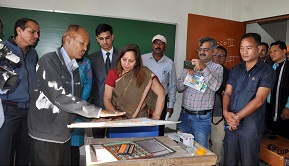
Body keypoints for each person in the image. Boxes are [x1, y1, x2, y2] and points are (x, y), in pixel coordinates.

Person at [28, 24, 125, 166]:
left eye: (87, 44)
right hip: (46, 136)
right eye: (82, 43)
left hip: (64, 134)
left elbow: (75, 101)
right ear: (68, 40)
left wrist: (92, 120)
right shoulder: (49, 62)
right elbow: (60, 97)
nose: (85, 48)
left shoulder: (73, 67)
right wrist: (98, 112)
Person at [223, 33, 275, 165]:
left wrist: (236, 118)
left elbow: (259, 99)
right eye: (241, 48)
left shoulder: (267, 71)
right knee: (229, 161)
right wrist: (225, 113)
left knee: (249, 162)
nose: (244, 52)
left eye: (248, 48)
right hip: (231, 124)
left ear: (258, 49)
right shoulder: (236, 69)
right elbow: (227, 93)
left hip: (250, 127)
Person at [0, 18, 39, 166]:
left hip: (28, 111)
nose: (36, 36)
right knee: (5, 154)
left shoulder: (33, 54)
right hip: (8, 109)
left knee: (25, 153)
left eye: (37, 33)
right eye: (32, 32)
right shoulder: (3, 48)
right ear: (19, 30)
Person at [176, 37, 223, 148]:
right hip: (184, 115)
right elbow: (179, 87)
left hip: (201, 119)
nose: (202, 52)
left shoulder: (217, 68)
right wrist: (188, 77)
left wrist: (204, 68)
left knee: (200, 150)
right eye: (200, 49)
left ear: (214, 51)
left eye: (206, 49)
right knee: (181, 147)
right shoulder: (190, 65)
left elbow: (215, 87)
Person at [104, 44, 166, 120]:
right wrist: (115, 116)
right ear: (120, 58)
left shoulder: (144, 73)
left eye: (131, 61)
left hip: (140, 119)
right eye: (124, 59)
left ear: (136, 62)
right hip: (117, 119)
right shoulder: (113, 73)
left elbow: (161, 93)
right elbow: (107, 98)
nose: (126, 64)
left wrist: (156, 116)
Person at [142, 34, 177, 136]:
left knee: (158, 127)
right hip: (144, 98)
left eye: (161, 43)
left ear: (165, 47)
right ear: (152, 45)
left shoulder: (170, 63)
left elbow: (172, 85)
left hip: (161, 99)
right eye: (156, 43)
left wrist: (170, 105)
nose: (158, 45)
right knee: (143, 125)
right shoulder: (143, 59)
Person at [88, 23, 118, 138]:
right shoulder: (90, 59)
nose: (104, 42)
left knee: (116, 141)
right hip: (97, 107)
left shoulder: (122, 58)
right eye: (101, 39)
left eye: (107, 38)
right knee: (98, 141)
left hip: (117, 108)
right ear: (97, 39)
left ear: (112, 37)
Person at [210, 45, 230, 165]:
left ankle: (216, 162)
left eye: (221, 56)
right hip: (204, 112)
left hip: (219, 113)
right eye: (216, 55)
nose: (218, 58)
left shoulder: (229, 73)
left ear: (225, 58)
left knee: (217, 141)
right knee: (202, 140)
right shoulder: (205, 70)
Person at [71, 56, 92, 166]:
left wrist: (78, 104)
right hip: (60, 109)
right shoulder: (57, 59)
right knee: (60, 145)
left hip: (78, 108)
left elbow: (88, 84)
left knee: (74, 145)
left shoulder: (85, 62)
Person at [266, 40, 289, 139]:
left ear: (284, 51)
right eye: (270, 52)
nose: (272, 54)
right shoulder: (270, 67)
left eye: (275, 51)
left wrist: (288, 107)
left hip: (284, 107)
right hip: (271, 106)